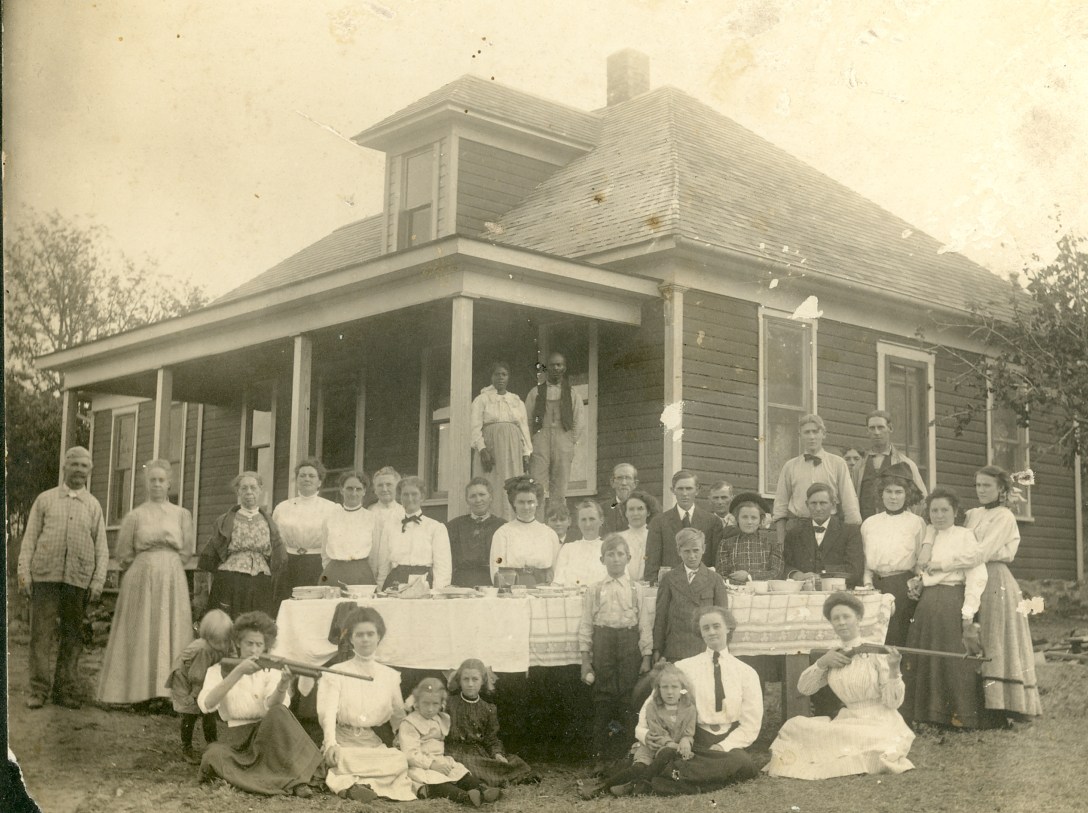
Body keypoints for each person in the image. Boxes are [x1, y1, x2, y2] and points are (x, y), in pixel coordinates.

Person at [765, 592, 914, 778]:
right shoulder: (833, 655)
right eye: (836, 618)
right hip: (848, 720)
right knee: (794, 725)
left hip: (881, 721)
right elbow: (804, 688)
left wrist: (893, 669)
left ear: (858, 618)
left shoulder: (876, 652)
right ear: (831, 623)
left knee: (865, 742)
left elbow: (893, 703)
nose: (841, 622)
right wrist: (822, 663)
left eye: (846, 616)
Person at [98, 459, 196, 706]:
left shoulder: (182, 515)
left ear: (169, 484)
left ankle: (168, 694)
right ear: (146, 484)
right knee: (142, 630)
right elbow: (123, 554)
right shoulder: (135, 516)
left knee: (170, 628)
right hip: (141, 577)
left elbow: (186, 550)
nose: (157, 485)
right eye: (152, 480)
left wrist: (167, 564)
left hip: (172, 577)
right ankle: (139, 692)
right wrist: (147, 565)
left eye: (161, 480)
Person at [18, 446, 109, 710]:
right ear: (65, 467)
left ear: (90, 471)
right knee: (41, 636)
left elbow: (102, 548)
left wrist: (98, 582)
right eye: (75, 465)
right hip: (45, 577)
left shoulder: (92, 506)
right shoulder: (45, 500)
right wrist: (24, 573)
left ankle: (64, 690)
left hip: (77, 581)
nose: (80, 471)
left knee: (72, 637)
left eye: (85, 466)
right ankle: (38, 690)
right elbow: (30, 539)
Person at [197, 611, 322, 797]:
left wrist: (283, 683)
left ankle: (278, 780)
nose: (254, 650)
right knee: (213, 755)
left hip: (268, 736)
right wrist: (238, 672)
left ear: (266, 647)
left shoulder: (270, 671)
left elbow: (274, 707)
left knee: (280, 712)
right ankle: (288, 780)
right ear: (238, 642)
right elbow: (206, 704)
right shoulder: (219, 670)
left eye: (259, 645)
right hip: (236, 741)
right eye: (249, 644)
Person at [901, 487, 989, 729]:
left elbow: (976, 574)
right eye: (934, 510)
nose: (939, 515)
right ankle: (928, 715)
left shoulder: (964, 535)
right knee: (925, 658)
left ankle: (959, 715)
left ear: (955, 511)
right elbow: (923, 569)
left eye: (944, 510)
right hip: (927, 604)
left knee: (953, 659)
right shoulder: (929, 537)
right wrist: (917, 583)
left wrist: (968, 612)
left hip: (952, 601)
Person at [964, 465, 1042, 721]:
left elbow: (982, 552)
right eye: (978, 485)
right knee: (975, 635)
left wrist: (949, 561)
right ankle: (979, 702)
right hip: (971, 576)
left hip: (995, 577)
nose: (981, 490)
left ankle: (1004, 704)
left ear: (1000, 489)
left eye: (987, 485)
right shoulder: (972, 514)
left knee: (996, 634)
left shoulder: (1004, 516)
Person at [658, 606, 761, 796]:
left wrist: (723, 746)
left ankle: (670, 778)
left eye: (716, 626)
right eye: (706, 628)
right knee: (730, 767)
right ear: (700, 632)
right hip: (696, 738)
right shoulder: (685, 667)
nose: (712, 632)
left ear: (728, 628)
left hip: (730, 739)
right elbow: (659, 704)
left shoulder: (746, 672)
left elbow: (751, 723)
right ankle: (700, 773)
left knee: (744, 764)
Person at [319, 607, 417, 801]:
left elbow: (398, 716)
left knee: (398, 759)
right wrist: (330, 744)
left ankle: (357, 784)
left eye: (370, 634)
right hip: (344, 742)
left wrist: (404, 742)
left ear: (379, 637)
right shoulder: (335, 672)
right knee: (342, 758)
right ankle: (358, 784)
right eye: (360, 634)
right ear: (351, 638)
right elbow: (327, 714)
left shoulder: (389, 675)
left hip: (372, 743)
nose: (365, 639)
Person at [578, 535, 653, 763]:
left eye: (620, 554)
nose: (616, 559)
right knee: (603, 695)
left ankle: (627, 752)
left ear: (628, 558)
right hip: (604, 642)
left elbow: (644, 624)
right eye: (610, 554)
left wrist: (646, 657)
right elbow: (586, 625)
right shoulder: (594, 589)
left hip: (629, 644)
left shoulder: (636, 589)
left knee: (628, 696)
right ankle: (599, 753)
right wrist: (585, 660)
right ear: (602, 559)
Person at [580, 662, 696, 798]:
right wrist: (673, 745)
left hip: (671, 753)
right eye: (665, 687)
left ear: (682, 688)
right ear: (658, 689)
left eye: (674, 687)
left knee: (667, 754)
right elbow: (658, 733)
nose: (670, 692)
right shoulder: (653, 707)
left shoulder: (689, 709)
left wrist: (686, 741)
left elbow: (689, 731)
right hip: (653, 746)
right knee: (640, 766)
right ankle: (602, 788)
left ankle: (634, 785)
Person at [399, 677, 503, 805]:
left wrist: (440, 763)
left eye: (435, 704)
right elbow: (410, 754)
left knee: (460, 773)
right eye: (426, 703)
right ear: (416, 703)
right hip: (420, 764)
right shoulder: (410, 723)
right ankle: (464, 797)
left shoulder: (440, 719)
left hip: (439, 759)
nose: (430, 709)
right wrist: (432, 765)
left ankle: (483, 789)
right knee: (437, 782)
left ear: (441, 704)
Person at [199, 472, 285, 618]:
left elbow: (277, 554)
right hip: (231, 579)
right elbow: (213, 550)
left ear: (260, 490)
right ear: (238, 491)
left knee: (257, 622)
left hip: (260, 580)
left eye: (253, 487)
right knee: (227, 622)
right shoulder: (224, 520)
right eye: (244, 488)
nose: (249, 492)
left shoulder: (270, 522)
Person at [860, 463, 927, 646]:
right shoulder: (869, 524)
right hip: (873, 587)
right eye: (889, 491)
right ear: (881, 493)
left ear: (907, 495)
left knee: (898, 639)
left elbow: (920, 562)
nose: (893, 497)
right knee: (874, 639)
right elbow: (866, 562)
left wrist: (917, 584)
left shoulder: (916, 523)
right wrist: (867, 584)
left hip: (902, 587)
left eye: (899, 492)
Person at [773, 414, 862, 548]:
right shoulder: (790, 466)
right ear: (800, 435)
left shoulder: (837, 463)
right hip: (799, 527)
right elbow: (780, 506)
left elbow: (850, 503)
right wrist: (781, 542)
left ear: (824, 434)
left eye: (815, 431)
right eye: (807, 432)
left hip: (830, 527)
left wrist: (852, 539)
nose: (811, 436)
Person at [446, 659, 536, 786]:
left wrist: (497, 754)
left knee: (514, 762)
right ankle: (489, 779)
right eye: (466, 679)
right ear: (459, 681)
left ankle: (487, 777)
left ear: (482, 681)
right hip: (455, 751)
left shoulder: (488, 708)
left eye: (475, 679)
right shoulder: (448, 703)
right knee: (469, 764)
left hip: (478, 753)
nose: (470, 684)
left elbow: (491, 738)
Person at [652, 529, 729, 663]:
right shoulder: (669, 579)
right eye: (687, 551)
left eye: (696, 550)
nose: (692, 556)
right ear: (678, 551)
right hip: (676, 648)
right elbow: (661, 618)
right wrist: (658, 649)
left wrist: (721, 650)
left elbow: (723, 618)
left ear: (703, 549)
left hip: (705, 647)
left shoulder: (715, 579)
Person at [167, 609, 233, 763]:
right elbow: (197, 675)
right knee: (190, 713)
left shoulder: (218, 646)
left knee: (209, 710)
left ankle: (212, 745)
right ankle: (187, 748)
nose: (222, 642)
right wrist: (194, 694)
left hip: (199, 678)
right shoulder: (203, 648)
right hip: (186, 680)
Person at [471, 361, 533, 522]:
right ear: (491, 377)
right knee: (492, 484)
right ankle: (490, 521)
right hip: (491, 447)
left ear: (508, 377)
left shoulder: (516, 401)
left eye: (504, 374)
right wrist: (482, 449)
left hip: (513, 448)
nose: (500, 378)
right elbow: (474, 427)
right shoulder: (482, 400)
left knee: (511, 483)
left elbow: (523, 427)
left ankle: (511, 521)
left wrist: (526, 452)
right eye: (497, 374)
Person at [524, 352, 585, 510]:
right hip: (540, 439)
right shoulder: (535, 393)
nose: (556, 368)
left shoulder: (572, 393)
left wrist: (570, 440)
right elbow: (528, 420)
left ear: (564, 368)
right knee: (537, 485)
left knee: (559, 486)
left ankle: (556, 526)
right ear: (546, 368)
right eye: (552, 365)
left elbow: (579, 420)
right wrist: (532, 441)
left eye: (560, 365)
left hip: (563, 439)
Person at [273, 457, 337, 599]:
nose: (306, 479)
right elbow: (274, 540)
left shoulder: (331, 508)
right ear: (297, 480)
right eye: (302, 475)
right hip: (288, 564)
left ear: (319, 482)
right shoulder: (282, 507)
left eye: (311, 476)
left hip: (317, 564)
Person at [373, 476, 451, 590]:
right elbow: (383, 565)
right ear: (400, 498)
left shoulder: (435, 527)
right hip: (395, 582)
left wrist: (438, 592)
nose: (410, 499)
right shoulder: (390, 527)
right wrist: (379, 588)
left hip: (422, 582)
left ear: (422, 497)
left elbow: (443, 567)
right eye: (405, 494)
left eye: (414, 494)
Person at [644, 471, 723, 581]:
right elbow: (652, 564)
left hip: (702, 586)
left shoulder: (712, 521)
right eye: (680, 489)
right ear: (673, 490)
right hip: (671, 586)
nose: (685, 493)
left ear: (697, 490)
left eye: (689, 488)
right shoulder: (659, 522)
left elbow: (716, 562)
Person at [784, 483, 864, 588]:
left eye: (823, 503)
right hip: (804, 593)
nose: (818, 508)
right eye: (813, 503)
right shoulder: (794, 534)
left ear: (833, 505)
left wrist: (822, 575)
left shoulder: (850, 532)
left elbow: (854, 570)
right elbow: (785, 566)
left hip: (838, 593)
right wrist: (796, 575)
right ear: (807, 504)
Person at [852, 410, 928, 520]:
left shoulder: (905, 464)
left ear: (890, 428)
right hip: (866, 528)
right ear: (867, 431)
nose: (876, 432)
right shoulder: (859, 467)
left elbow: (921, 501)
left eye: (881, 427)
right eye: (872, 428)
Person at [489, 476, 561, 587]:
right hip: (514, 587)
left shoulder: (549, 534)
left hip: (543, 588)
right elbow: (497, 564)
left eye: (531, 502)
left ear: (537, 502)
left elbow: (556, 567)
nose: (526, 507)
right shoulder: (503, 533)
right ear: (514, 503)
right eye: (521, 502)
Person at [320, 470, 379, 586]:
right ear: (342, 490)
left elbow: (374, 555)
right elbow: (324, 553)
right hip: (334, 572)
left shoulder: (371, 518)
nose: (353, 493)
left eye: (358, 489)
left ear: (364, 492)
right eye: (349, 488)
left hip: (361, 573)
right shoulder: (330, 518)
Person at [446, 478, 506, 588]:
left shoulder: (502, 526)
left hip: (490, 581)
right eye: (473, 496)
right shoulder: (454, 526)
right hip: (461, 582)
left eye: (482, 494)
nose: (478, 500)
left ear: (490, 497)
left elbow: (501, 559)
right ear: (467, 500)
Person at [715, 492, 782, 581]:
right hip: (735, 592)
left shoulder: (771, 544)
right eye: (744, 517)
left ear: (760, 520)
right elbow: (721, 576)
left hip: (763, 592)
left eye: (754, 518)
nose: (749, 522)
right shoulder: (726, 544)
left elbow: (776, 573)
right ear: (737, 519)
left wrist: (749, 576)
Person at [553, 500, 609, 587]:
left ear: (601, 520)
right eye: (583, 520)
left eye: (592, 519)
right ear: (578, 523)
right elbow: (557, 583)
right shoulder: (568, 549)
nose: (587, 524)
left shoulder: (609, 548)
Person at [618, 490, 657, 581]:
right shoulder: (619, 538)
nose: (635, 513)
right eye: (631, 509)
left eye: (640, 509)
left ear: (648, 512)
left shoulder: (654, 537)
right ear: (626, 513)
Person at [601, 463, 639, 534]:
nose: (624, 483)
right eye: (619, 478)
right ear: (612, 483)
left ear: (635, 484)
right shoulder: (602, 509)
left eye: (628, 478)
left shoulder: (643, 509)